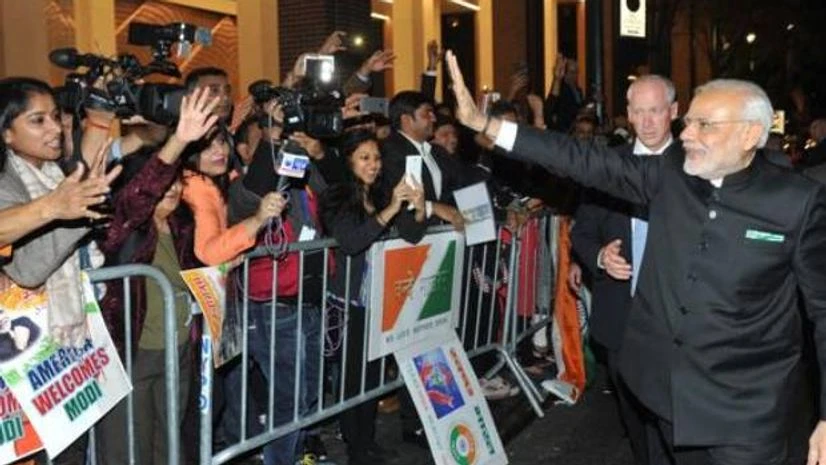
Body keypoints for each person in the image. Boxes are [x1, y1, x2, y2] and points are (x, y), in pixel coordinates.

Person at [446, 50, 826, 465]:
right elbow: (582, 160)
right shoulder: (670, 173)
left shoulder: (797, 202)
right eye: (689, 122)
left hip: (747, 412)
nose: (686, 134)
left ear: (751, 134)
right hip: (666, 397)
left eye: (705, 125)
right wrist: (488, 125)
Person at [0, 76, 122, 465]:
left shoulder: (60, 174)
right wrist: (68, 211)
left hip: (64, 353)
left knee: (72, 450)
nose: (56, 128)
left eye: (56, 116)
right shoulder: (7, 183)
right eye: (38, 120)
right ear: (6, 132)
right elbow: (30, 269)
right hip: (23, 358)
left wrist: (77, 206)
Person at [95, 87, 220, 465]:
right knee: (130, 447)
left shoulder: (182, 226)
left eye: (178, 181)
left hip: (178, 351)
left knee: (169, 442)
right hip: (133, 353)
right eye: (166, 183)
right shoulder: (127, 228)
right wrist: (179, 139)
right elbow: (138, 196)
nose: (174, 188)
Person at [570, 74, 678, 465]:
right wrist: (599, 257)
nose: (648, 121)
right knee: (634, 414)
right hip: (621, 315)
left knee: (673, 418)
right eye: (639, 112)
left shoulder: (696, 166)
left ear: (673, 112)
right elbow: (581, 232)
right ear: (628, 115)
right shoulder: (608, 166)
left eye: (656, 111)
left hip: (677, 322)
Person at [320, 130, 426, 464]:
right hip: (349, 302)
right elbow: (351, 241)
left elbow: (411, 234)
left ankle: (366, 440)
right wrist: (391, 209)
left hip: (380, 299)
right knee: (354, 379)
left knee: (374, 376)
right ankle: (355, 446)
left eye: (377, 158)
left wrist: (419, 209)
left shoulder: (380, 193)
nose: (374, 165)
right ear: (348, 160)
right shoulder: (336, 196)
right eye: (365, 157)